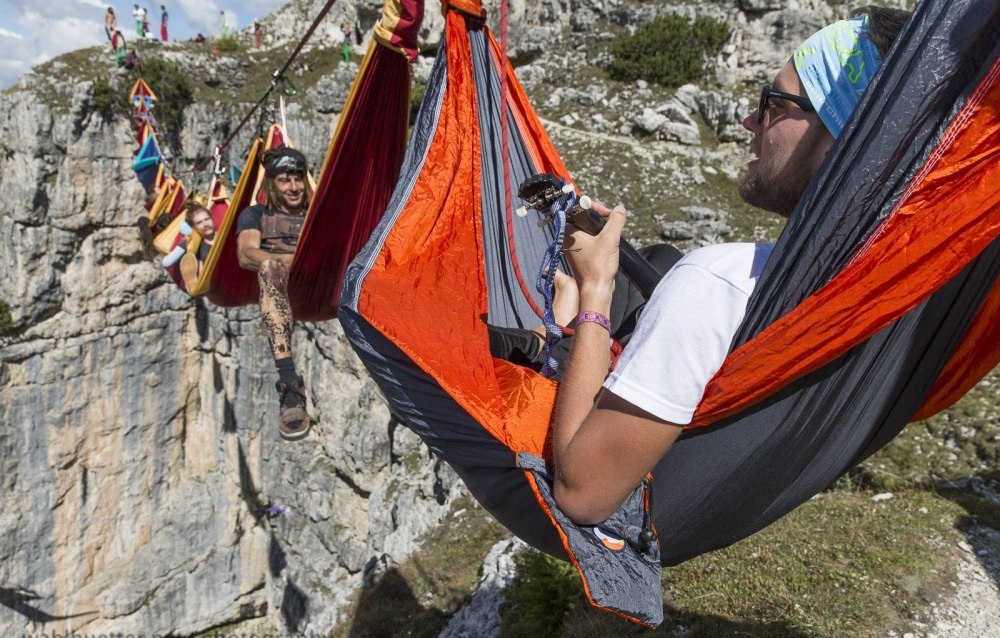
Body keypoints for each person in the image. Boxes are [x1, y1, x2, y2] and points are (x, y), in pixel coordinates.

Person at [549, 6, 911, 524]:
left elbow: (582, 493)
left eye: (773, 104)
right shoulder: (887, 284)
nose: (747, 121)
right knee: (657, 263)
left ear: (837, 138)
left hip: (652, 493)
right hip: (759, 479)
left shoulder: (715, 284)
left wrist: (593, 292)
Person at [236, 148, 313, 441]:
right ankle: (289, 385)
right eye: (284, 180)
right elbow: (246, 254)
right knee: (268, 267)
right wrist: (288, 260)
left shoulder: (318, 210)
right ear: (271, 184)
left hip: (318, 284)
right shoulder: (256, 215)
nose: (293, 187)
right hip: (280, 288)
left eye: (298, 179)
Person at [162, 202, 217, 288]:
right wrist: (185, 244)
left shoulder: (224, 236)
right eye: (199, 223)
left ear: (212, 218)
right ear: (193, 227)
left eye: (207, 219)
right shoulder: (193, 243)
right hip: (215, 285)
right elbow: (166, 262)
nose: (205, 224)